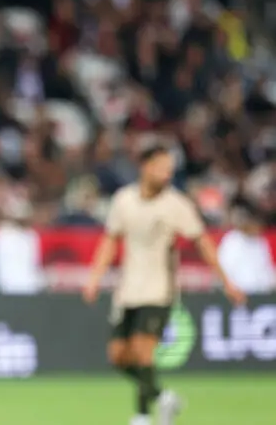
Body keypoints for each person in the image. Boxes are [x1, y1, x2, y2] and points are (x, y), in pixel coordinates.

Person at [82, 144, 246, 425]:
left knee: (143, 351)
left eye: (170, 169)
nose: (167, 174)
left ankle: (143, 415)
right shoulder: (124, 200)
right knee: (118, 357)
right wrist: (95, 277)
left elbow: (202, 242)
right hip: (128, 289)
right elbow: (111, 240)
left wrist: (227, 281)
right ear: (145, 167)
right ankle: (163, 397)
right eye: (161, 167)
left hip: (159, 290)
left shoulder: (176, 205)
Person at [218, 199, 276, 294]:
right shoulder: (231, 240)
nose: (258, 228)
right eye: (255, 224)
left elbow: (266, 269)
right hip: (238, 294)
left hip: (261, 294)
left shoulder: (260, 241)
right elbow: (225, 269)